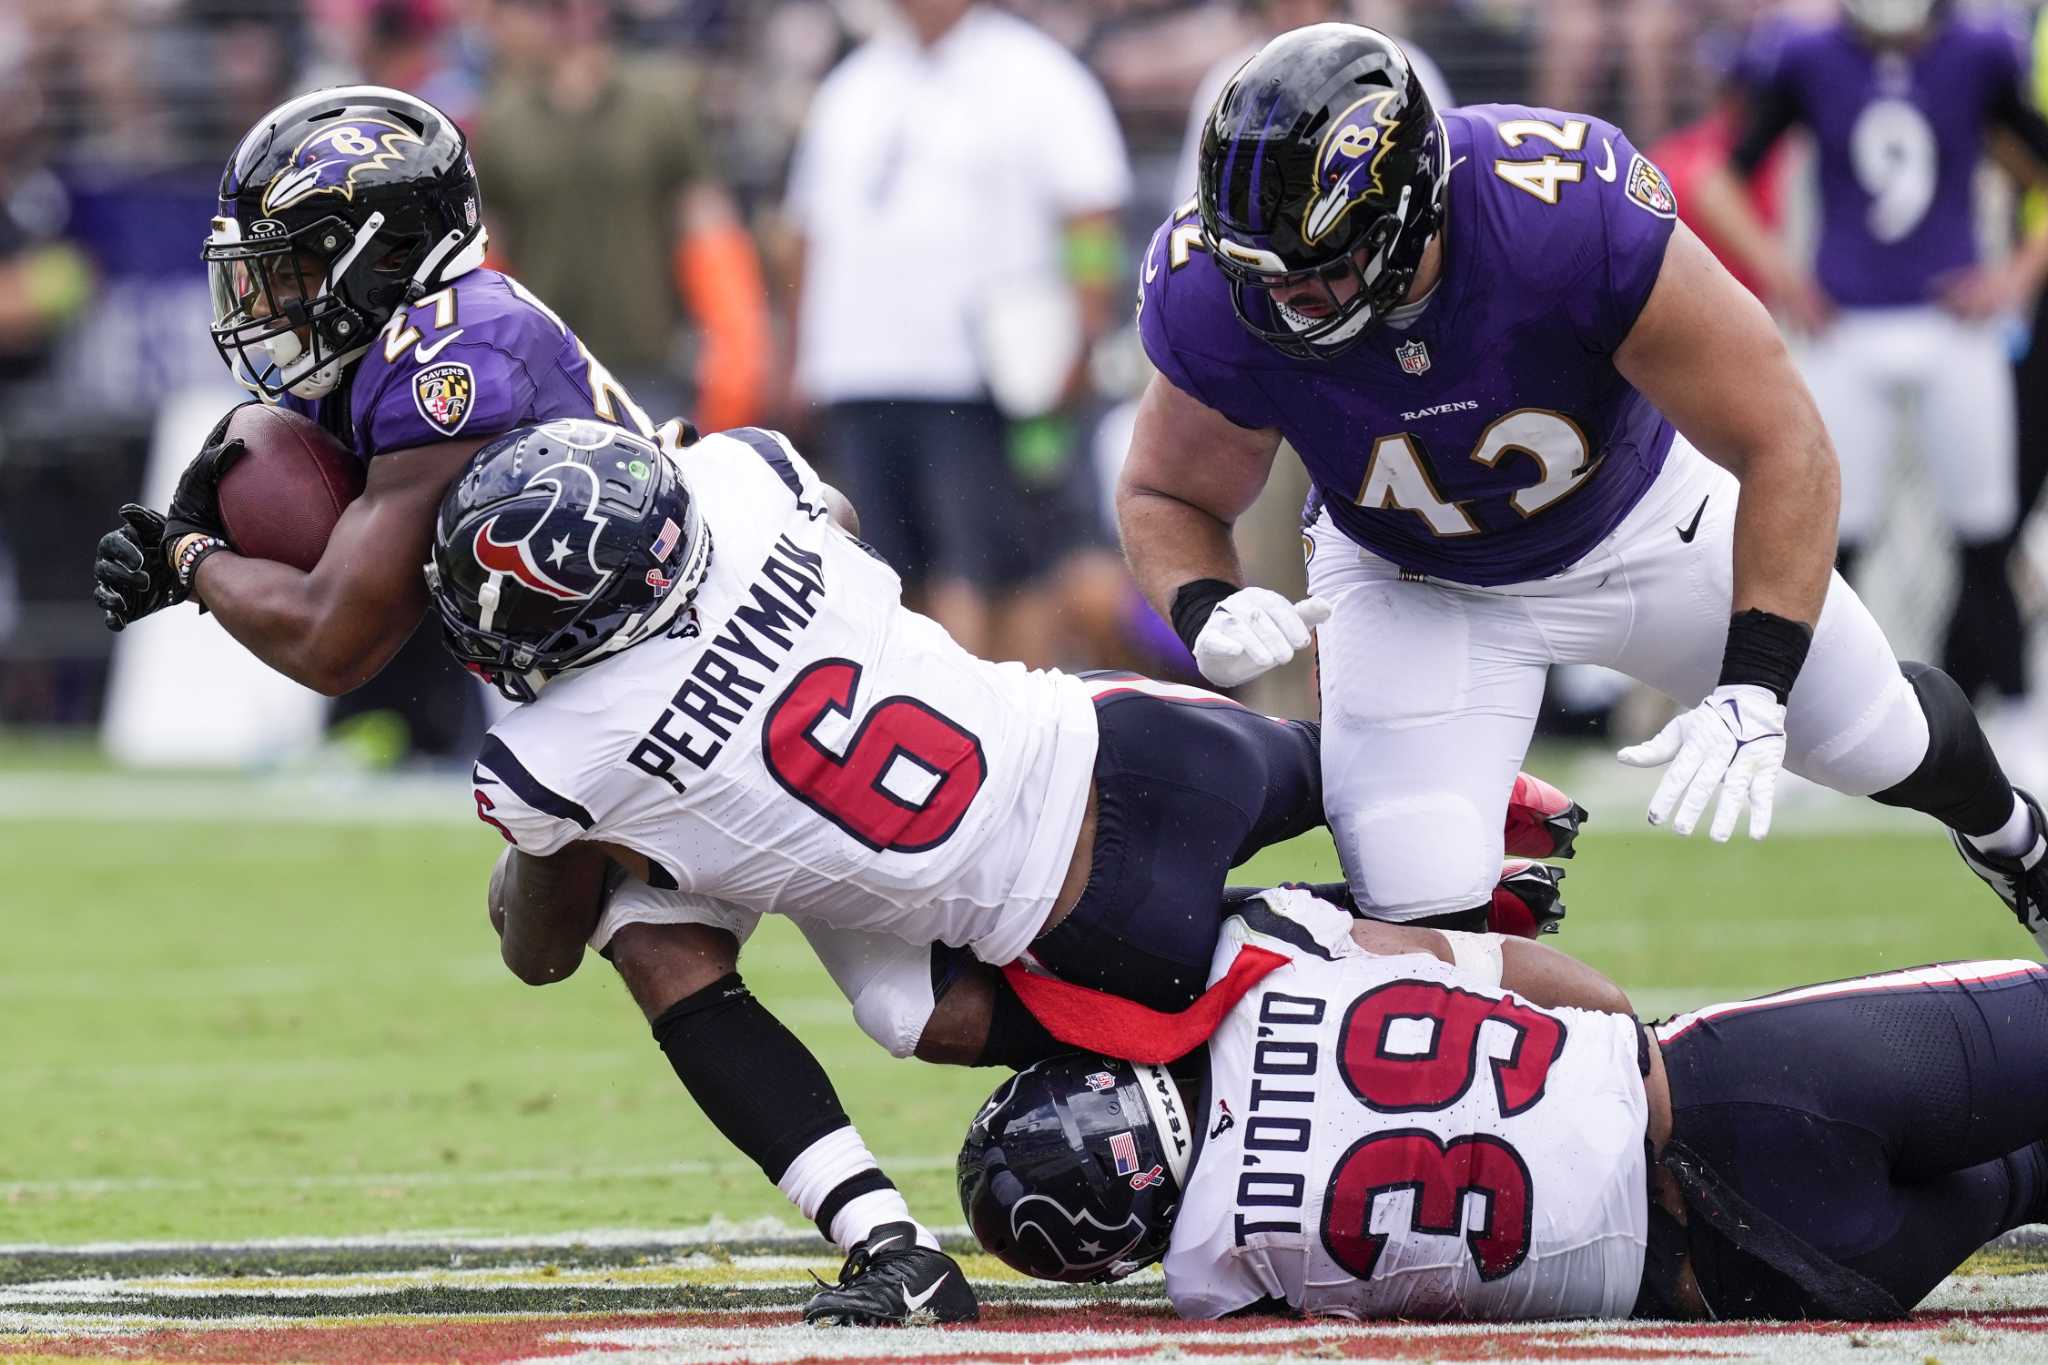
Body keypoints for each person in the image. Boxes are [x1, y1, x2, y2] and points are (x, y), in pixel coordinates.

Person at [81, 87, 951, 1327]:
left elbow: (337, 638)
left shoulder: (454, 360)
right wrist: (203, 521)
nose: (269, 304)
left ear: (381, 250)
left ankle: (1169, 1085)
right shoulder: (412, 338)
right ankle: (890, 1245)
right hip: (636, 680)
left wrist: (190, 565)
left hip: (686, 677)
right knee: (650, 941)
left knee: (917, 998)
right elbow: (278, 465)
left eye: (295, 268)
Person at [425, 415, 1582, 1318]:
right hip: (1143, 739)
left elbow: (537, 952)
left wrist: (557, 843)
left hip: (1091, 925)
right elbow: (832, 517)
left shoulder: (556, 756)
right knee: (1352, 792)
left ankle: (888, 1242)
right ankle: (1479, 826)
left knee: (654, 924)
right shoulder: (738, 478)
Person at [1116, 23, 2048, 946]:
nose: (1284, 301)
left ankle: (2017, 839)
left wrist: (1754, 686)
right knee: (1415, 898)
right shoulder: (1216, 287)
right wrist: (1204, 604)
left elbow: (1785, 441)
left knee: (1873, 740)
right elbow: (1167, 492)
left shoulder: (1563, 212)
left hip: (1643, 524)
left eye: (1317, 273)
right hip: (1413, 579)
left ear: (1410, 216)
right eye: (1261, 274)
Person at [958, 886, 2048, 1321]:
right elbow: (1547, 979)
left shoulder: (1210, 1274)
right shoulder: (1264, 957)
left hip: (1736, 1284)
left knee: (2025, 1174)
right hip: (1746, 1093)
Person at [1689, 0, 2048, 775]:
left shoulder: (1980, 52)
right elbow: (1716, 180)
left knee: (1986, 533)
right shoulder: (1811, 58)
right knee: (1825, 539)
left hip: (1953, 325)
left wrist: (2013, 277)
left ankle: (2019, 720)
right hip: (1848, 327)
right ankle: (1812, 726)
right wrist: (1786, 275)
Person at [781, 0, 1131, 666]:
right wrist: (796, 354)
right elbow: (805, 232)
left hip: (981, 380)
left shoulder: (1036, 74)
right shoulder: (854, 84)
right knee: (883, 576)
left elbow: (1090, 214)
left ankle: (1008, 737)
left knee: (1000, 570)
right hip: (862, 372)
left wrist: (1084, 330)